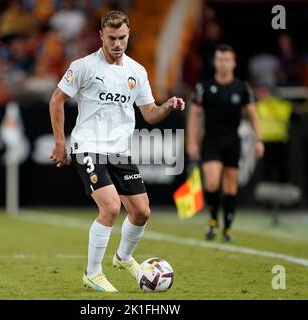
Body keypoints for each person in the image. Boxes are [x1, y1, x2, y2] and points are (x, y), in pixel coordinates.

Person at [49, 11, 185, 292]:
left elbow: (149, 114)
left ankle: (123, 258)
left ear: (128, 34)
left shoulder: (137, 71)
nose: (117, 43)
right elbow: (57, 99)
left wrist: (167, 106)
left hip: (119, 152)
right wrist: (60, 143)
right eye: (111, 38)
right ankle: (92, 272)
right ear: (101, 36)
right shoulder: (84, 66)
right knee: (110, 207)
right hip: (88, 147)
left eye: (122, 37)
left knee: (141, 212)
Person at [186, 44, 264, 242]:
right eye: (220, 59)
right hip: (211, 139)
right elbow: (194, 115)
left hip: (232, 140)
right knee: (212, 181)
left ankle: (227, 228)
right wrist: (191, 142)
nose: (223, 63)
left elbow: (253, 115)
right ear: (215, 62)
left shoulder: (241, 87)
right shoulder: (204, 87)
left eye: (227, 60)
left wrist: (258, 140)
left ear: (234, 63)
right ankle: (213, 219)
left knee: (230, 185)